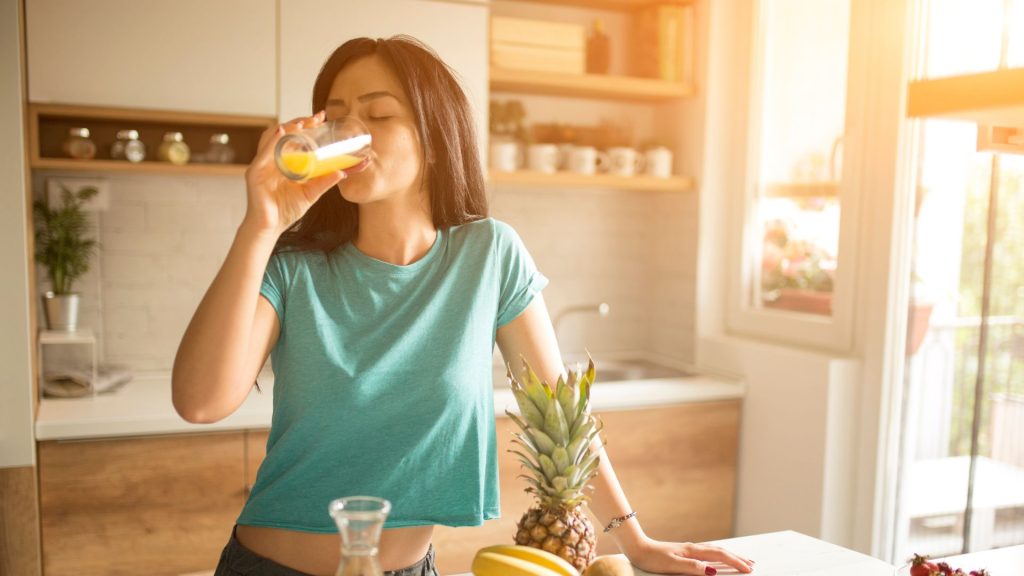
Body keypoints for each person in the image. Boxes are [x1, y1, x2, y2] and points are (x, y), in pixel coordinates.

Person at [172, 35, 755, 576]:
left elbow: (558, 414)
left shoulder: (489, 254)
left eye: (378, 114)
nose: (352, 129)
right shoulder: (295, 267)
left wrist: (636, 542)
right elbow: (200, 402)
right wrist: (262, 224)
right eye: (338, 114)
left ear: (434, 132)